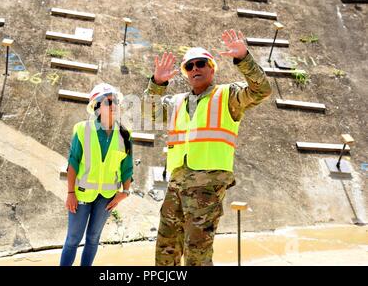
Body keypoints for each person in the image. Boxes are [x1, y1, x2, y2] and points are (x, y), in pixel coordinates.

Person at [143, 29, 272, 266]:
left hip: (207, 185)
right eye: (189, 67)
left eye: (201, 64)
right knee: (166, 249)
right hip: (177, 184)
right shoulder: (176, 102)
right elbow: (144, 113)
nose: (195, 69)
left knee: (196, 254)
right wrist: (157, 84)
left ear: (212, 68)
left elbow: (261, 90)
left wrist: (244, 58)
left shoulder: (228, 95)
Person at [60, 83, 133, 266]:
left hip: (106, 198)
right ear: (97, 107)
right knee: (73, 239)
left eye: (116, 101)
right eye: (109, 101)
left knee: (93, 239)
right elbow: (73, 162)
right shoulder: (82, 129)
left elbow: (127, 168)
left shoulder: (124, 135)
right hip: (82, 194)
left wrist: (125, 193)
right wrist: (70, 193)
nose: (114, 105)